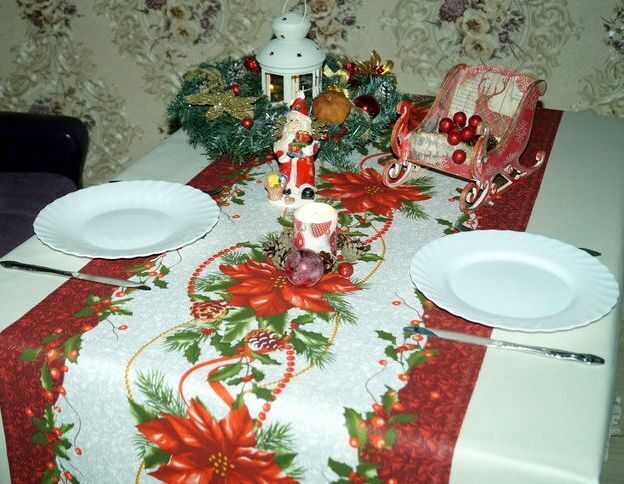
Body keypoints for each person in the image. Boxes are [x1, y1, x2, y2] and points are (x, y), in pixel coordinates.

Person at [273, 91, 320, 200]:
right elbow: (278, 149)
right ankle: (286, 187)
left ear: (304, 123)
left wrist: (308, 144)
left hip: (303, 167)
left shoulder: (309, 137)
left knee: (305, 176)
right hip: (287, 168)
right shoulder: (284, 138)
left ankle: (306, 188)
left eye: (298, 120)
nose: (294, 123)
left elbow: (314, 148)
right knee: (283, 179)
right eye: (291, 120)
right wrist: (286, 156)